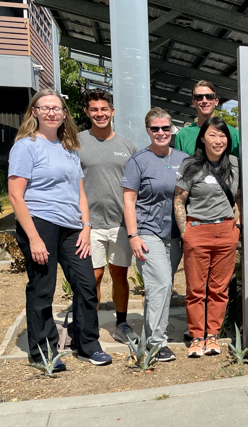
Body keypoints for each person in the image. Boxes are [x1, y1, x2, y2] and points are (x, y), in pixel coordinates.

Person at [8, 89, 112, 368]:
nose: (52, 112)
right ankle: (43, 352)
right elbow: (16, 196)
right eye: (46, 108)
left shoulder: (69, 147)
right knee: (43, 289)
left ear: (65, 115)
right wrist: (34, 238)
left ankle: (87, 344)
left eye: (57, 108)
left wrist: (86, 226)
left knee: (87, 285)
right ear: (35, 112)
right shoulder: (26, 145)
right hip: (40, 223)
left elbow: (80, 193)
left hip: (73, 226)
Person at [122, 107, 189, 363]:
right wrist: (133, 235)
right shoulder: (139, 160)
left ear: (172, 129)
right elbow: (129, 201)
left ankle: (152, 335)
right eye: (155, 129)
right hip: (147, 232)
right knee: (160, 284)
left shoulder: (184, 159)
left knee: (161, 287)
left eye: (165, 128)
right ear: (148, 131)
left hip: (175, 235)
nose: (161, 132)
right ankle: (156, 343)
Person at [174, 117, 240, 358]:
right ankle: (196, 336)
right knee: (195, 289)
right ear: (202, 137)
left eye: (222, 136)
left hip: (226, 232)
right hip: (197, 231)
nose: (218, 140)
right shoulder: (190, 165)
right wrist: (186, 232)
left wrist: (237, 226)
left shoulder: (234, 164)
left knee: (219, 289)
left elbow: (239, 197)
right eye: (213, 135)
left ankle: (212, 335)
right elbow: (179, 200)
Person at [78, 89, 139, 344]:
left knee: (119, 274)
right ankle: (89, 328)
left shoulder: (127, 146)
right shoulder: (76, 143)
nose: (100, 114)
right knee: (94, 276)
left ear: (112, 111)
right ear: (87, 112)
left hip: (120, 224)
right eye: (94, 109)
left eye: (104, 109)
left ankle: (121, 323)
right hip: (89, 225)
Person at [174, 81, 241, 158]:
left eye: (209, 96)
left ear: (216, 102)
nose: (205, 101)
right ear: (194, 103)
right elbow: (178, 166)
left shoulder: (232, 133)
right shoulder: (183, 135)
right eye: (199, 97)